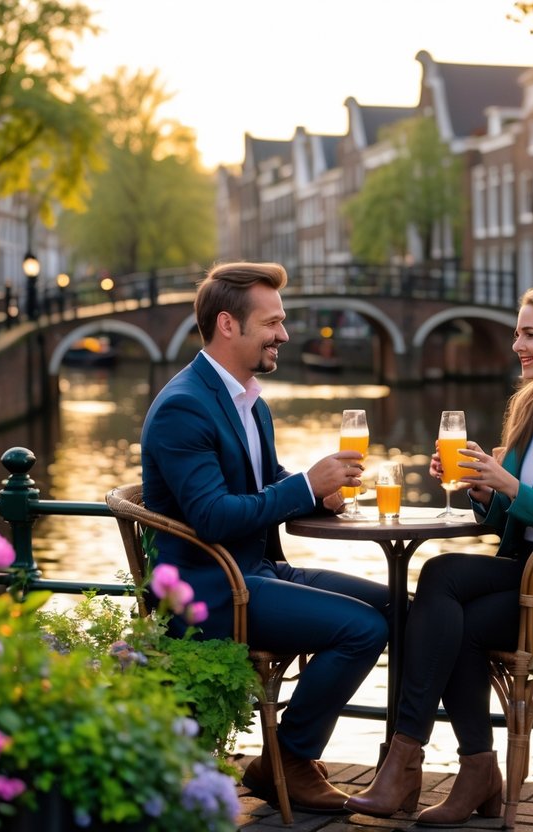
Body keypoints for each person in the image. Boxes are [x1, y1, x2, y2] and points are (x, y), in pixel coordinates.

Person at [346, 282, 533, 825]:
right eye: (516, 334)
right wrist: (485, 491)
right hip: (527, 575)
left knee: (447, 600)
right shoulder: (531, 407)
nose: (517, 345)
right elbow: (515, 517)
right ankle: (457, 766)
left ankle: (416, 760)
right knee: (444, 591)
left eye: (530, 334)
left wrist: (509, 486)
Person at [140, 261, 390, 813]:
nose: (283, 334)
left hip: (255, 571)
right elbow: (213, 516)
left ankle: (397, 759)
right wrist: (304, 485)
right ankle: (290, 758)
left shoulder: (249, 397)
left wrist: (317, 491)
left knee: (398, 606)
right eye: (272, 322)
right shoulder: (185, 406)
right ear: (228, 325)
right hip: (208, 589)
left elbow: (262, 481)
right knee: (363, 627)